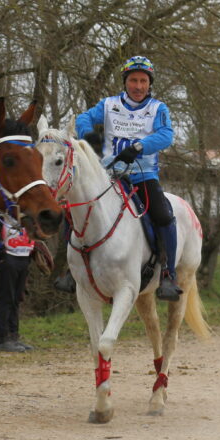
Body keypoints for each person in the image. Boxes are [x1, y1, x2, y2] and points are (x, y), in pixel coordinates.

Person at [74, 55, 181, 301]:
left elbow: (166, 135)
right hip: (110, 175)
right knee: (77, 203)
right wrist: (87, 135)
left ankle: (168, 274)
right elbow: (84, 118)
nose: (138, 86)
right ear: (125, 82)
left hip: (143, 175)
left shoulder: (157, 109)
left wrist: (140, 146)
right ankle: (71, 271)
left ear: (149, 83)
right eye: (134, 80)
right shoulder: (109, 104)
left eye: (143, 81)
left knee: (164, 216)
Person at [0, 215, 39, 352]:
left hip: (24, 258)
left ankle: (14, 336)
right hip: (8, 259)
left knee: (16, 299)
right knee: (6, 299)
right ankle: (3, 339)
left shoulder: (24, 213)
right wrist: (2, 257)